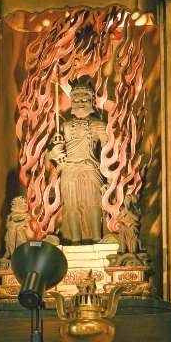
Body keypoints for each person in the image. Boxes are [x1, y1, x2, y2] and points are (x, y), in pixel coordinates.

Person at [47, 81, 107, 244]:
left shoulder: (99, 125)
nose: (80, 103)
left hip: (90, 168)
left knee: (94, 204)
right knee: (71, 206)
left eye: (85, 100)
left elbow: (109, 151)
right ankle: (74, 241)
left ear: (92, 101)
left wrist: (110, 179)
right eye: (77, 100)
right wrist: (55, 151)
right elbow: (51, 154)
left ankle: (97, 239)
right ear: (71, 102)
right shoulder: (64, 126)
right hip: (69, 169)